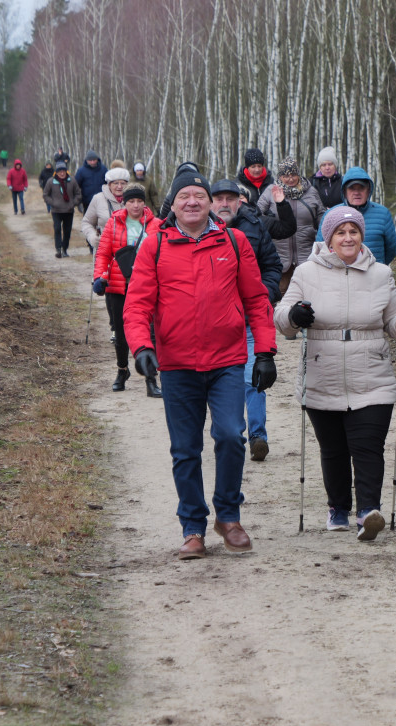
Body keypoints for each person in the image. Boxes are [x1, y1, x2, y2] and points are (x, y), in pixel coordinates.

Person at [124, 169, 278, 560]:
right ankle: (193, 528)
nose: (191, 202)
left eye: (199, 195)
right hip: (177, 365)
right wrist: (142, 346)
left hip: (226, 361)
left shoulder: (233, 240)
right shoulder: (155, 244)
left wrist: (264, 352)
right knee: (185, 449)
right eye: (183, 197)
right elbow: (137, 303)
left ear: (211, 203)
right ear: (172, 205)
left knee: (230, 436)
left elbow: (257, 300)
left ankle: (228, 515)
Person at [275, 206, 396, 541]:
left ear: (362, 236)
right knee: (334, 449)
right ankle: (338, 507)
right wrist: (295, 315)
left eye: (354, 231)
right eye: (341, 232)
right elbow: (281, 318)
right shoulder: (307, 273)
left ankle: (368, 512)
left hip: (372, 375)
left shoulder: (380, 273)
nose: (348, 237)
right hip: (323, 372)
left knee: (368, 446)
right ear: (329, 238)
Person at [211, 178, 283, 462]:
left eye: (231, 198)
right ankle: (228, 435)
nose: (225, 203)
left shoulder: (256, 226)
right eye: (220, 198)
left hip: (250, 321)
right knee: (221, 384)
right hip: (215, 324)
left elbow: (273, 266)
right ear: (210, 201)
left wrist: (262, 293)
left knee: (253, 379)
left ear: (240, 201)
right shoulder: (198, 231)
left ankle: (257, 437)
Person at [92, 183, 161, 397]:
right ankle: (122, 370)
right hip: (118, 286)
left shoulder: (156, 224)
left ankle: (151, 379)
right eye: (131, 201)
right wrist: (99, 277)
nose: (136, 205)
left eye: (140, 201)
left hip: (147, 286)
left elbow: (163, 254)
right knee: (120, 333)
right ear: (124, 202)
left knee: (150, 332)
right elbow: (103, 253)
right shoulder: (114, 223)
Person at [257, 156, 324, 297]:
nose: (290, 179)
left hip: (307, 257)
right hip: (279, 258)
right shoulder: (270, 191)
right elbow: (256, 216)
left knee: (308, 297)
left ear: (298, 174)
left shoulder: (311, 192)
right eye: (285, 176)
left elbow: (321, 220)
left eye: (293, 174)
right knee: (280, 297)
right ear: (280, 176)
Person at [316, 166, 396, 265]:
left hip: (372, 274)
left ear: (368, 190)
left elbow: (391, 249)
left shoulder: (383, 214)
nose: (356, 193)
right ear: (344, 191)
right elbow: (321, 246)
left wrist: (376, 265)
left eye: (361, 188)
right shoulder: (331, 214)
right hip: (339, 273)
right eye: (352, 188)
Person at [81, 167, 130, 251]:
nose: (119, 186)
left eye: (122, 183)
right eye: (116, 183)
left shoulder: (134, 199)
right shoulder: (98, 199)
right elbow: (86, 222)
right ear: (109, 184)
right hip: (104, 250)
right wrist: (92, 237)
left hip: (129, 250)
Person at [42, 162, 82, 259]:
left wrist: (73, 203)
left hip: (69, 210)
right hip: (56, 210)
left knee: (67, 231)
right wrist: (52, 203)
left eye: (64, 171)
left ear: (66, 171)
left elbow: (78, 194)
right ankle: (58, 249)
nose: (62, 173)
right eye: (60, 171)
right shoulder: (51, 181)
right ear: (56, 172)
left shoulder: (72, 180)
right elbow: (45, 194)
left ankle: (65, 249)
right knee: (57, 229)